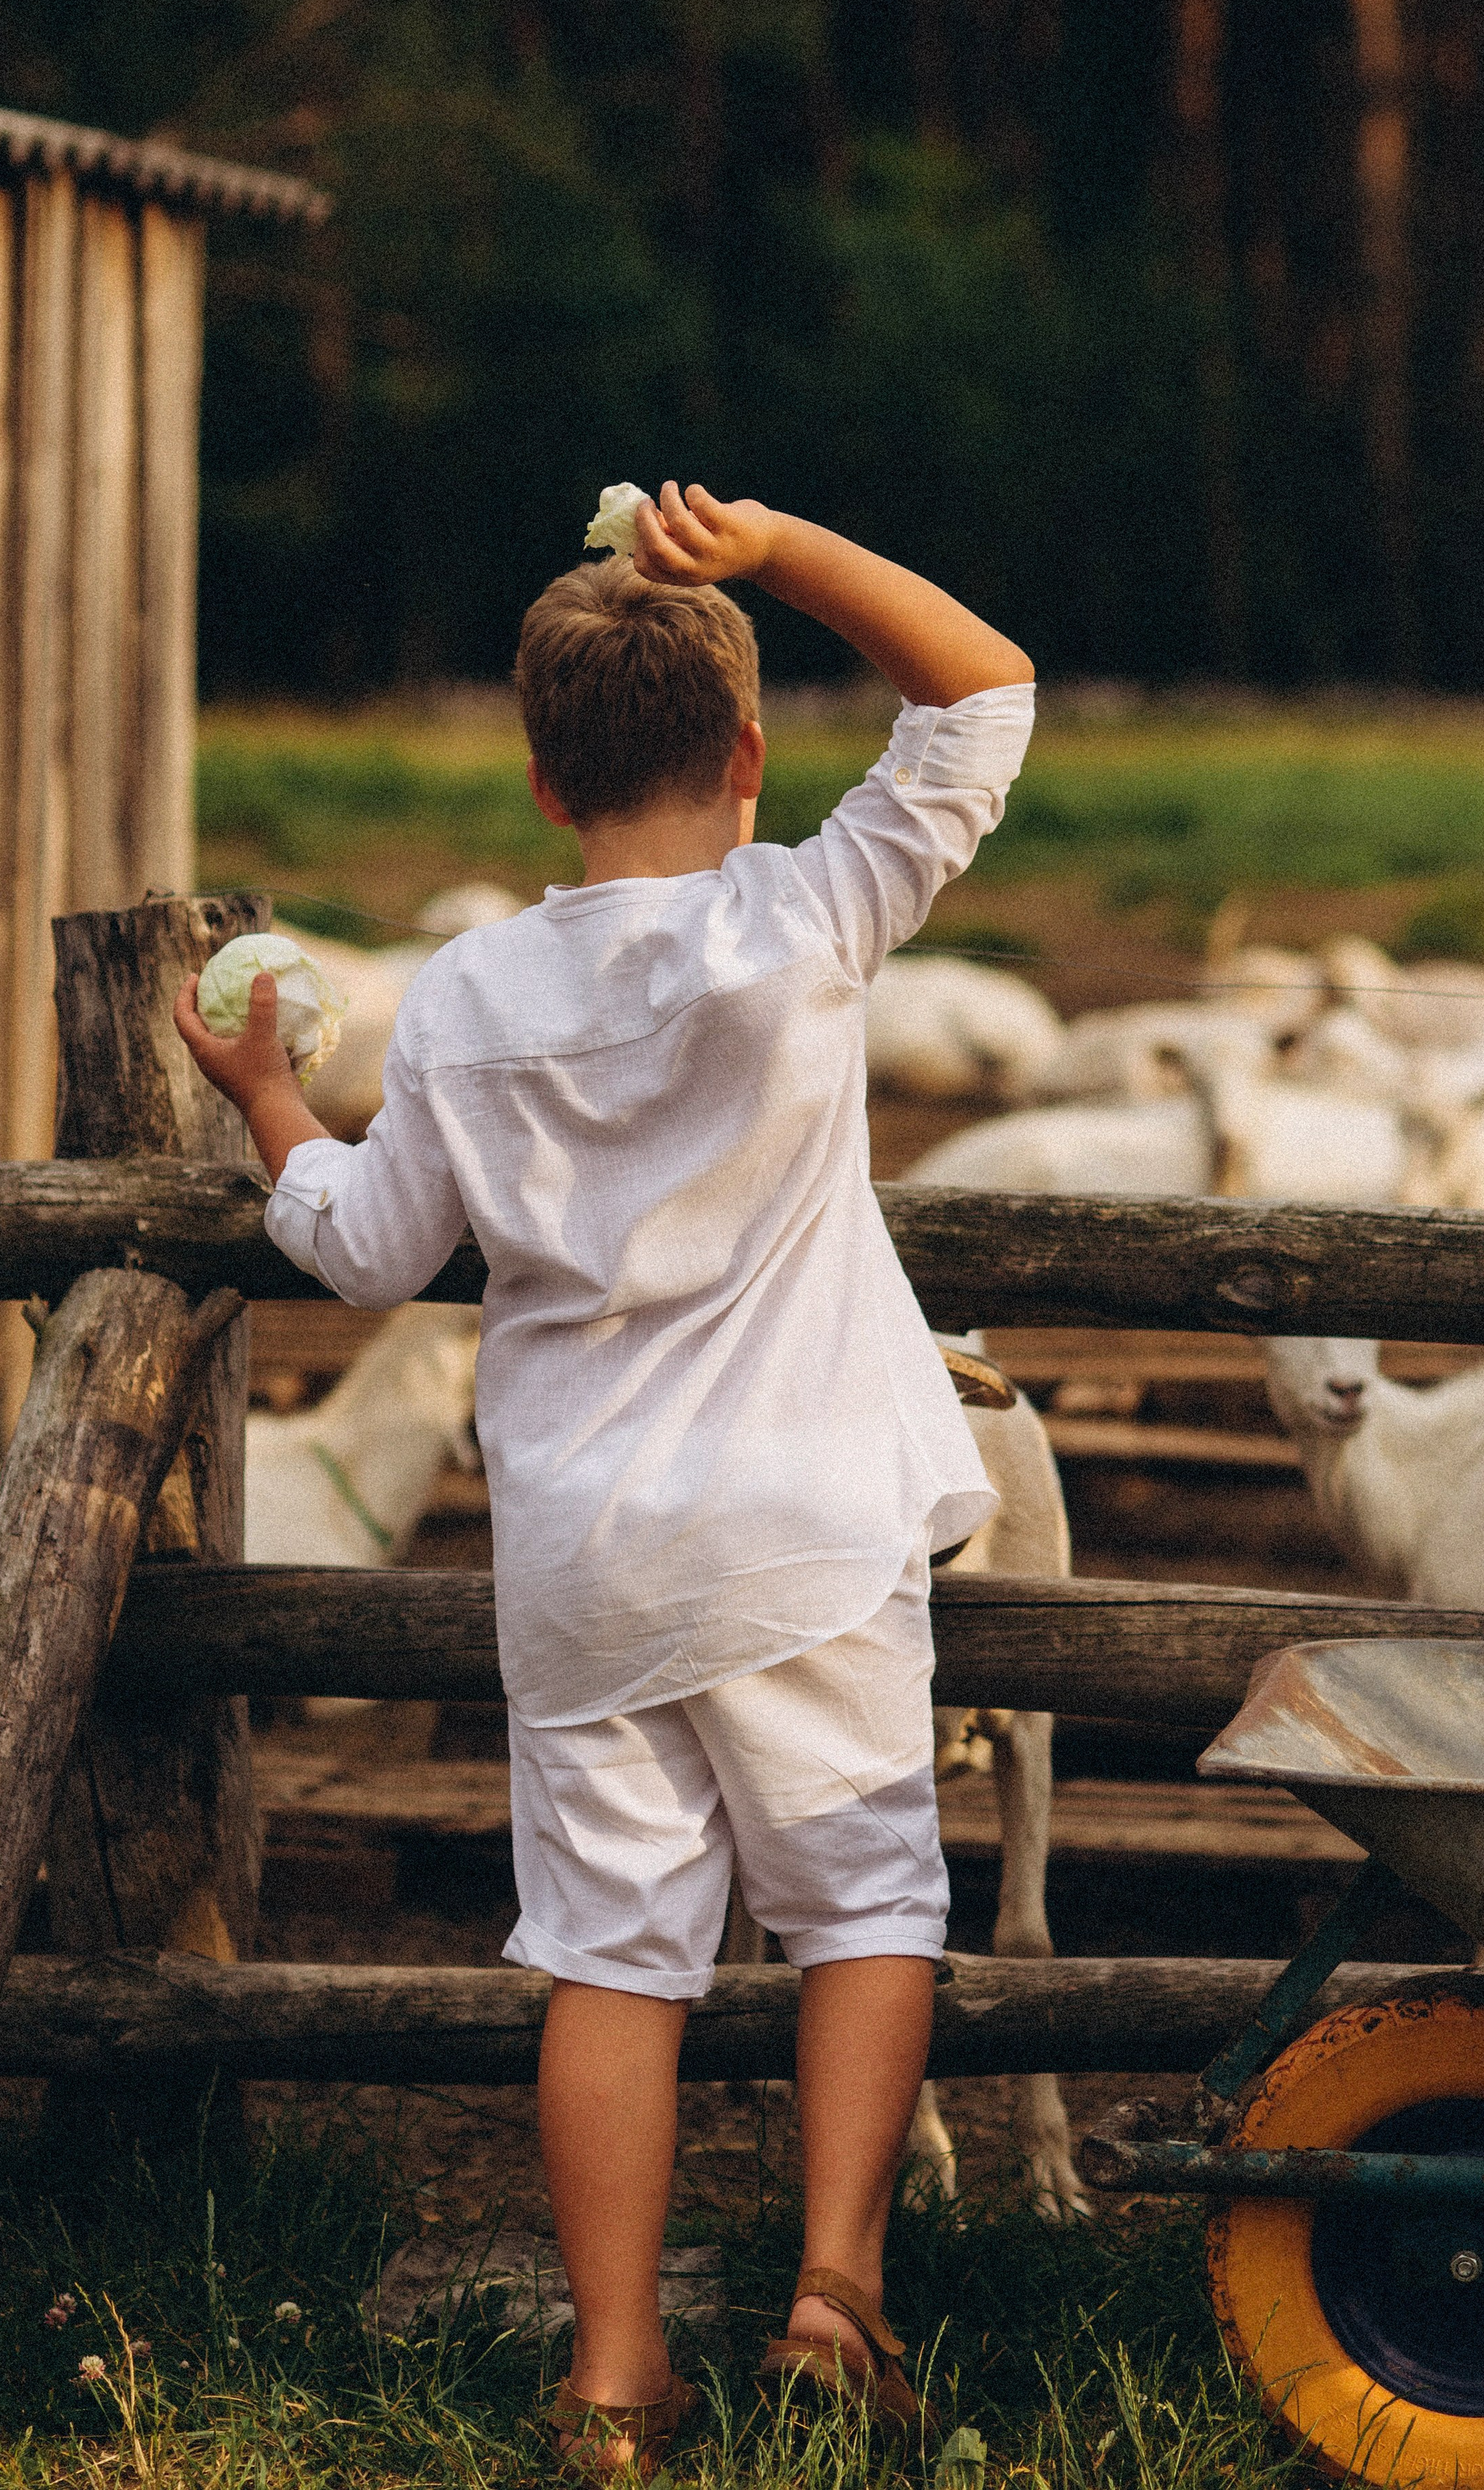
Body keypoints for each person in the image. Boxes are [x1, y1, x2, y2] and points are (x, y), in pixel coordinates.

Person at [175, 484, 1034, 2474]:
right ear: (749, 758)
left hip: (588, 1558)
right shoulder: (805, 917)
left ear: (543, 781)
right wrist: (776, 548)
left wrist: (274, 1100)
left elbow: (366, 1250)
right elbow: (983, 691)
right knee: (866, 1900)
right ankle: (832, 2298)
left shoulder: (470, 996)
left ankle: (613, 2374)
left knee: (610, 1953)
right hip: (807, 1526)